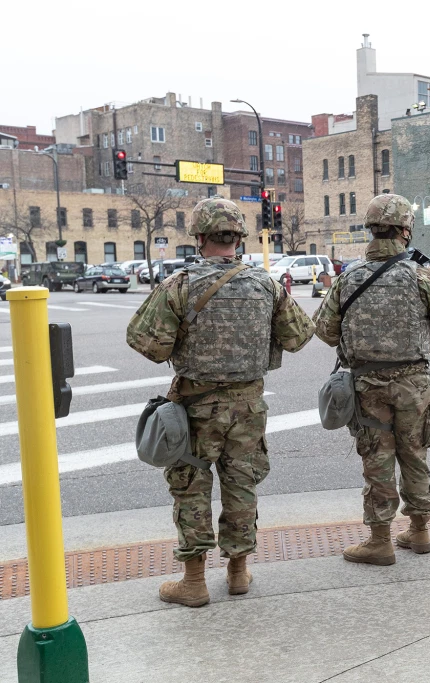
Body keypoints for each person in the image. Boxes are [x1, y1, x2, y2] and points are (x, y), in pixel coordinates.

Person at [126, 197, 314, 607]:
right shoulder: (266, 284)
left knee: (191, 486)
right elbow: (299, 337)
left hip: (195, 407)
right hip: (248, 405)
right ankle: (238, 572)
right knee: (240, 484)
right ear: (239, 238)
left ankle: (193, 582)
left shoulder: (179, 284)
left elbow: (146, 343)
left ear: (199, 237)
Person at [313, 193, 430, 566]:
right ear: (404, 230)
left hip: (366, 384)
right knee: (414, 453)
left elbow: (325, 329)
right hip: (413, 382)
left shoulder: (348, 278)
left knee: (377, 458)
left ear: (372, 230)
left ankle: (379, 539)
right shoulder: (421, 275)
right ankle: (420, 530)